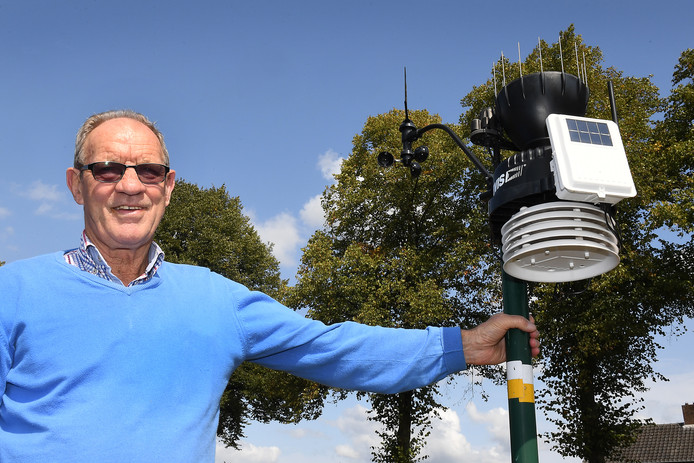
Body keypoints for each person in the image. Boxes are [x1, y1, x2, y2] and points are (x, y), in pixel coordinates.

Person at [0, 110, 540, 462]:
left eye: (148, 171)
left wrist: (460, 346)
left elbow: (333, 347)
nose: (130, 186)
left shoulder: (216, 300)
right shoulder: (13, 291)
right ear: (77, 185)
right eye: (108, 169)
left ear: (168, 187)